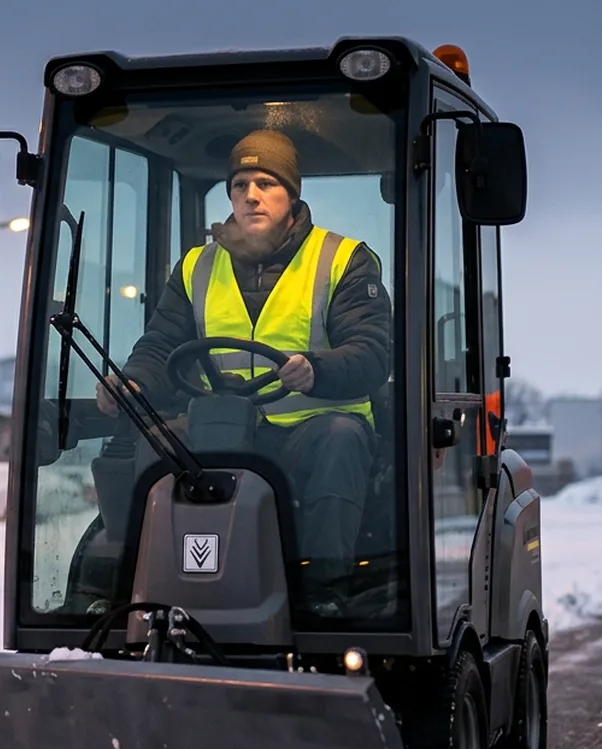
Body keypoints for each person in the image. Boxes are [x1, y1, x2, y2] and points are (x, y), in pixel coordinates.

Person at [96, 128, 393, 616]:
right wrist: (133, 383)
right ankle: (139, 594)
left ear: (291, 193)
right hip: (228, 429)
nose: (251, 195)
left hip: (312, 429)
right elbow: (160, 346)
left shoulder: (342, 259)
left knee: (341, 437)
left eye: (266, 183)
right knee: (153, 443)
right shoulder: (196, 266)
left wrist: (316, 370)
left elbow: (371, 352)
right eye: (240, 185)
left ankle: (324, 596)